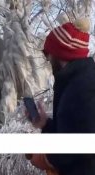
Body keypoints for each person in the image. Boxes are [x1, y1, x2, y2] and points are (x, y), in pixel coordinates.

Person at [26, 18, 95, 175]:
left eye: (48, 53)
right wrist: (45, 124)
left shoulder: (83, 89)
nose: (48, 58)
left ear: (60, 53)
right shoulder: (74, 83)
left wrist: (46, 158)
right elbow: (72, 132)